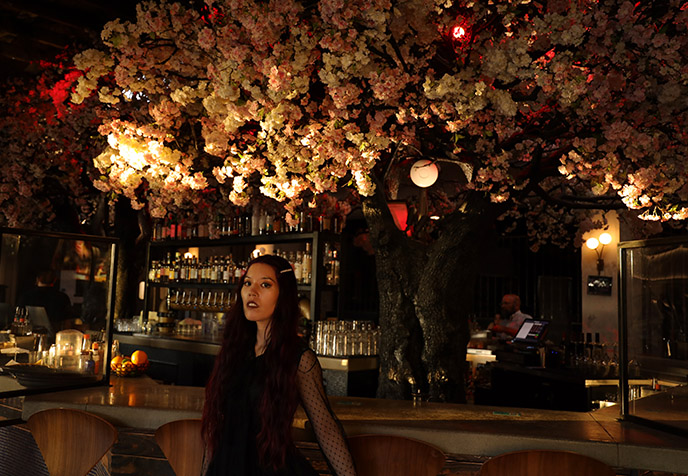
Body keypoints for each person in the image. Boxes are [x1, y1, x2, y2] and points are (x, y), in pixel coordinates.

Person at [201, 254, 357, 476]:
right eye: (247, 283)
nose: (252, 292)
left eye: (265, 284)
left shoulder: (299, 358)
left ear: (283, 295)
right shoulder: (233, 351)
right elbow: (215, 428)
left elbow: (324, 427)